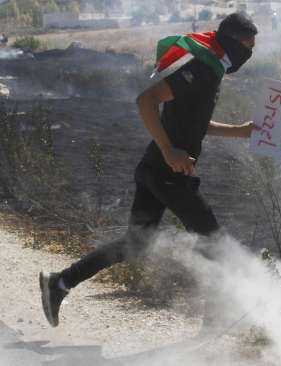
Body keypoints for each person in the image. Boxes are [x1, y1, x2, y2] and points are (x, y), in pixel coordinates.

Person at [39, 12, 258, 328]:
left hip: (154, 170)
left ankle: (58, 283)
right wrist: (170, 150)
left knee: (136, 244)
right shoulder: (201, 69)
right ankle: (215, 322)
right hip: (168, 175)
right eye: (245, 47)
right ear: (230, 41)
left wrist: (240, 130)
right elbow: (146, 100)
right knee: (214, 241)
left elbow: (192, 122)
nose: (247, 55)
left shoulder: (211, 70)